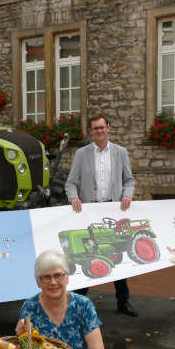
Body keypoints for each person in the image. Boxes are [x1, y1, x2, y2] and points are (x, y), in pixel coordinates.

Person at [64, 114, 139, 316]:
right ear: (91, 131)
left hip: (113, 211)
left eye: (102, 127)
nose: (99, 131)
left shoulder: (120, 152)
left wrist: (127, 196)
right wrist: (74, 198)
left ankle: (123, 301)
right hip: (89, 212)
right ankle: (79, 302)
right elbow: (70, 182)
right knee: (89, 252)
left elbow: (129, 181)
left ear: (109, 128)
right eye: (95, 128)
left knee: (117, 252)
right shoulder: (82, 154)